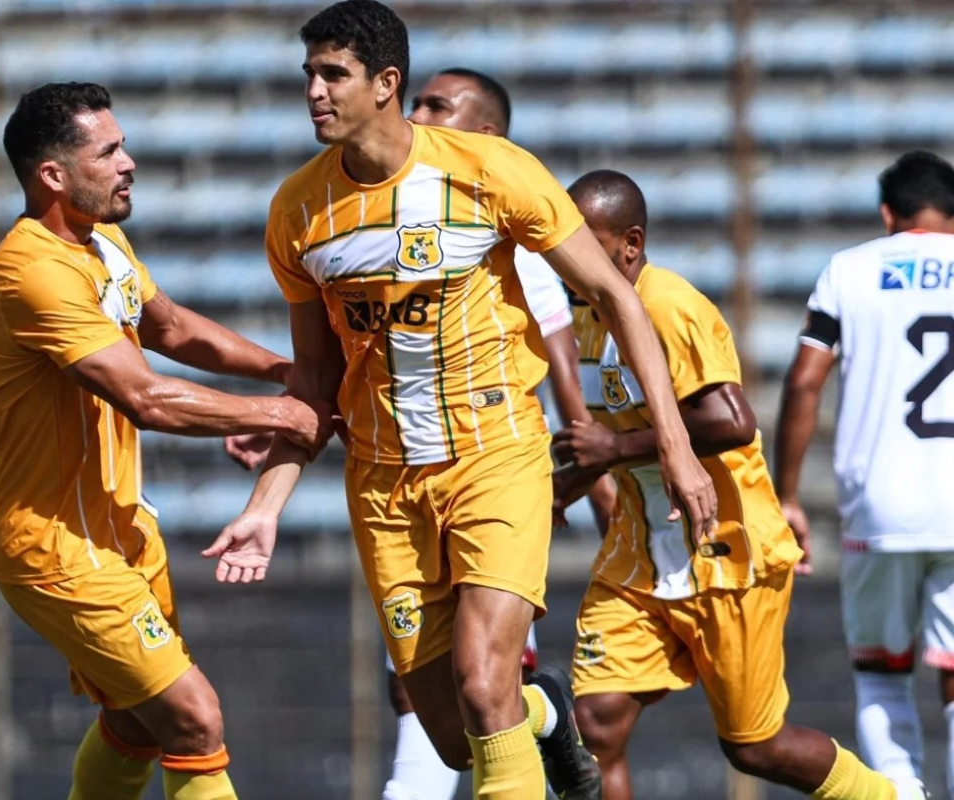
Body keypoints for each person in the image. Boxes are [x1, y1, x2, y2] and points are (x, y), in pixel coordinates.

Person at [204, 4, 717, 799]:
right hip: (383, 483)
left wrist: (678, 450)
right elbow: (314, 380)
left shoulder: (489, 170)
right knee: (450, 734)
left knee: (485, 688)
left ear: (385, 84)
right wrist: (267, 502)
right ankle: (547, 719)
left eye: (331, 74)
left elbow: (615, 294)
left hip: (495, 458)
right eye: (308, 73)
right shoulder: (298, 212)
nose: (313, 90)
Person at [0, 82, 332, 800]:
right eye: (108, 152)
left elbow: (169, 328)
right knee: (195, 721)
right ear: (53, 175)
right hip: (54, 545)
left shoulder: (101, 241)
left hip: (118, 530)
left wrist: (284, 370)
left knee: (140, 725)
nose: (129, 162)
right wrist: (278, 415)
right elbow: (143, 397)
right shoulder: (32, 271)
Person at [555, 169, 918, 800]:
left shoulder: (667, 306)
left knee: (754, 747)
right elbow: (626, 431)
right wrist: (571, 479)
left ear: (630, 245)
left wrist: (611, 448)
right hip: (638, 560)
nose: (569, 254)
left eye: (586, 239)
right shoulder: (585, 316)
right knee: (594, 723)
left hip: (728, 554)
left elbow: (731, 419)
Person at [774, 150, 954, 797]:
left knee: (881, 672)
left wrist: (788, 495)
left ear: (888, 214)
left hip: (880, 505)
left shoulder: (850, 270)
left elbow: (803, 382)